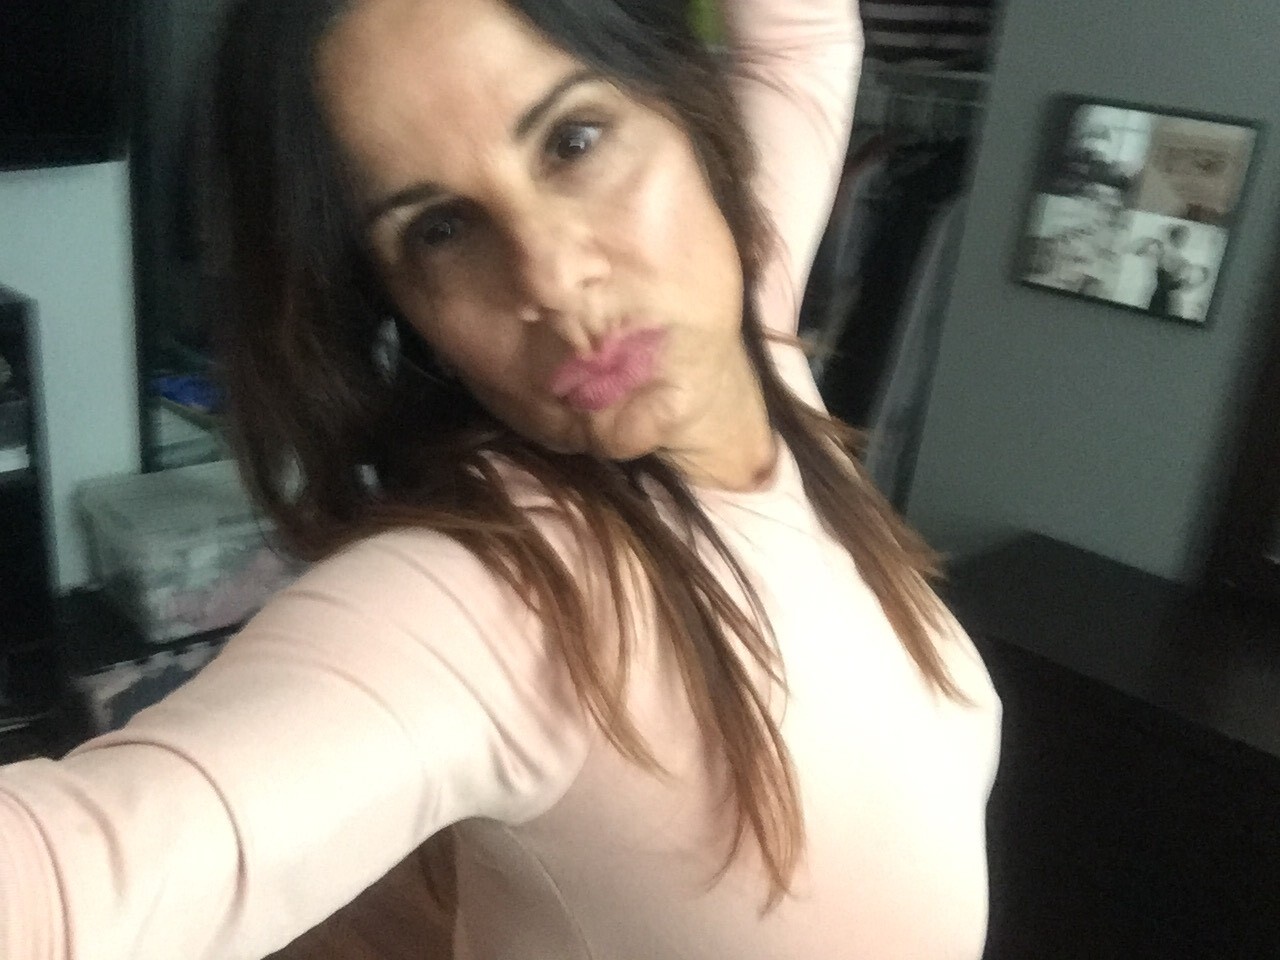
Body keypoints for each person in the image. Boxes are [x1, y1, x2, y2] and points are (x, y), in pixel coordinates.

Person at [0, 0, 1002, 958]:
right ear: (400, 306)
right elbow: (70, 886)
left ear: (689, 111)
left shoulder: (742, 332)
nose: (555, 282)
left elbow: (801, 37)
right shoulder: (497, 601)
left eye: (573, 142)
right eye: (439, 229)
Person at [1133, 223, 1211, 317]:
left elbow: (1185, 286)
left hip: (1168, 301)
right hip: (1161, 299)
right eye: (1182, 238)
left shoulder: (1180, 261)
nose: (1183, 241)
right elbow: (1139, 251)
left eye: (1184, 238)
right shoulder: (1164, 253)